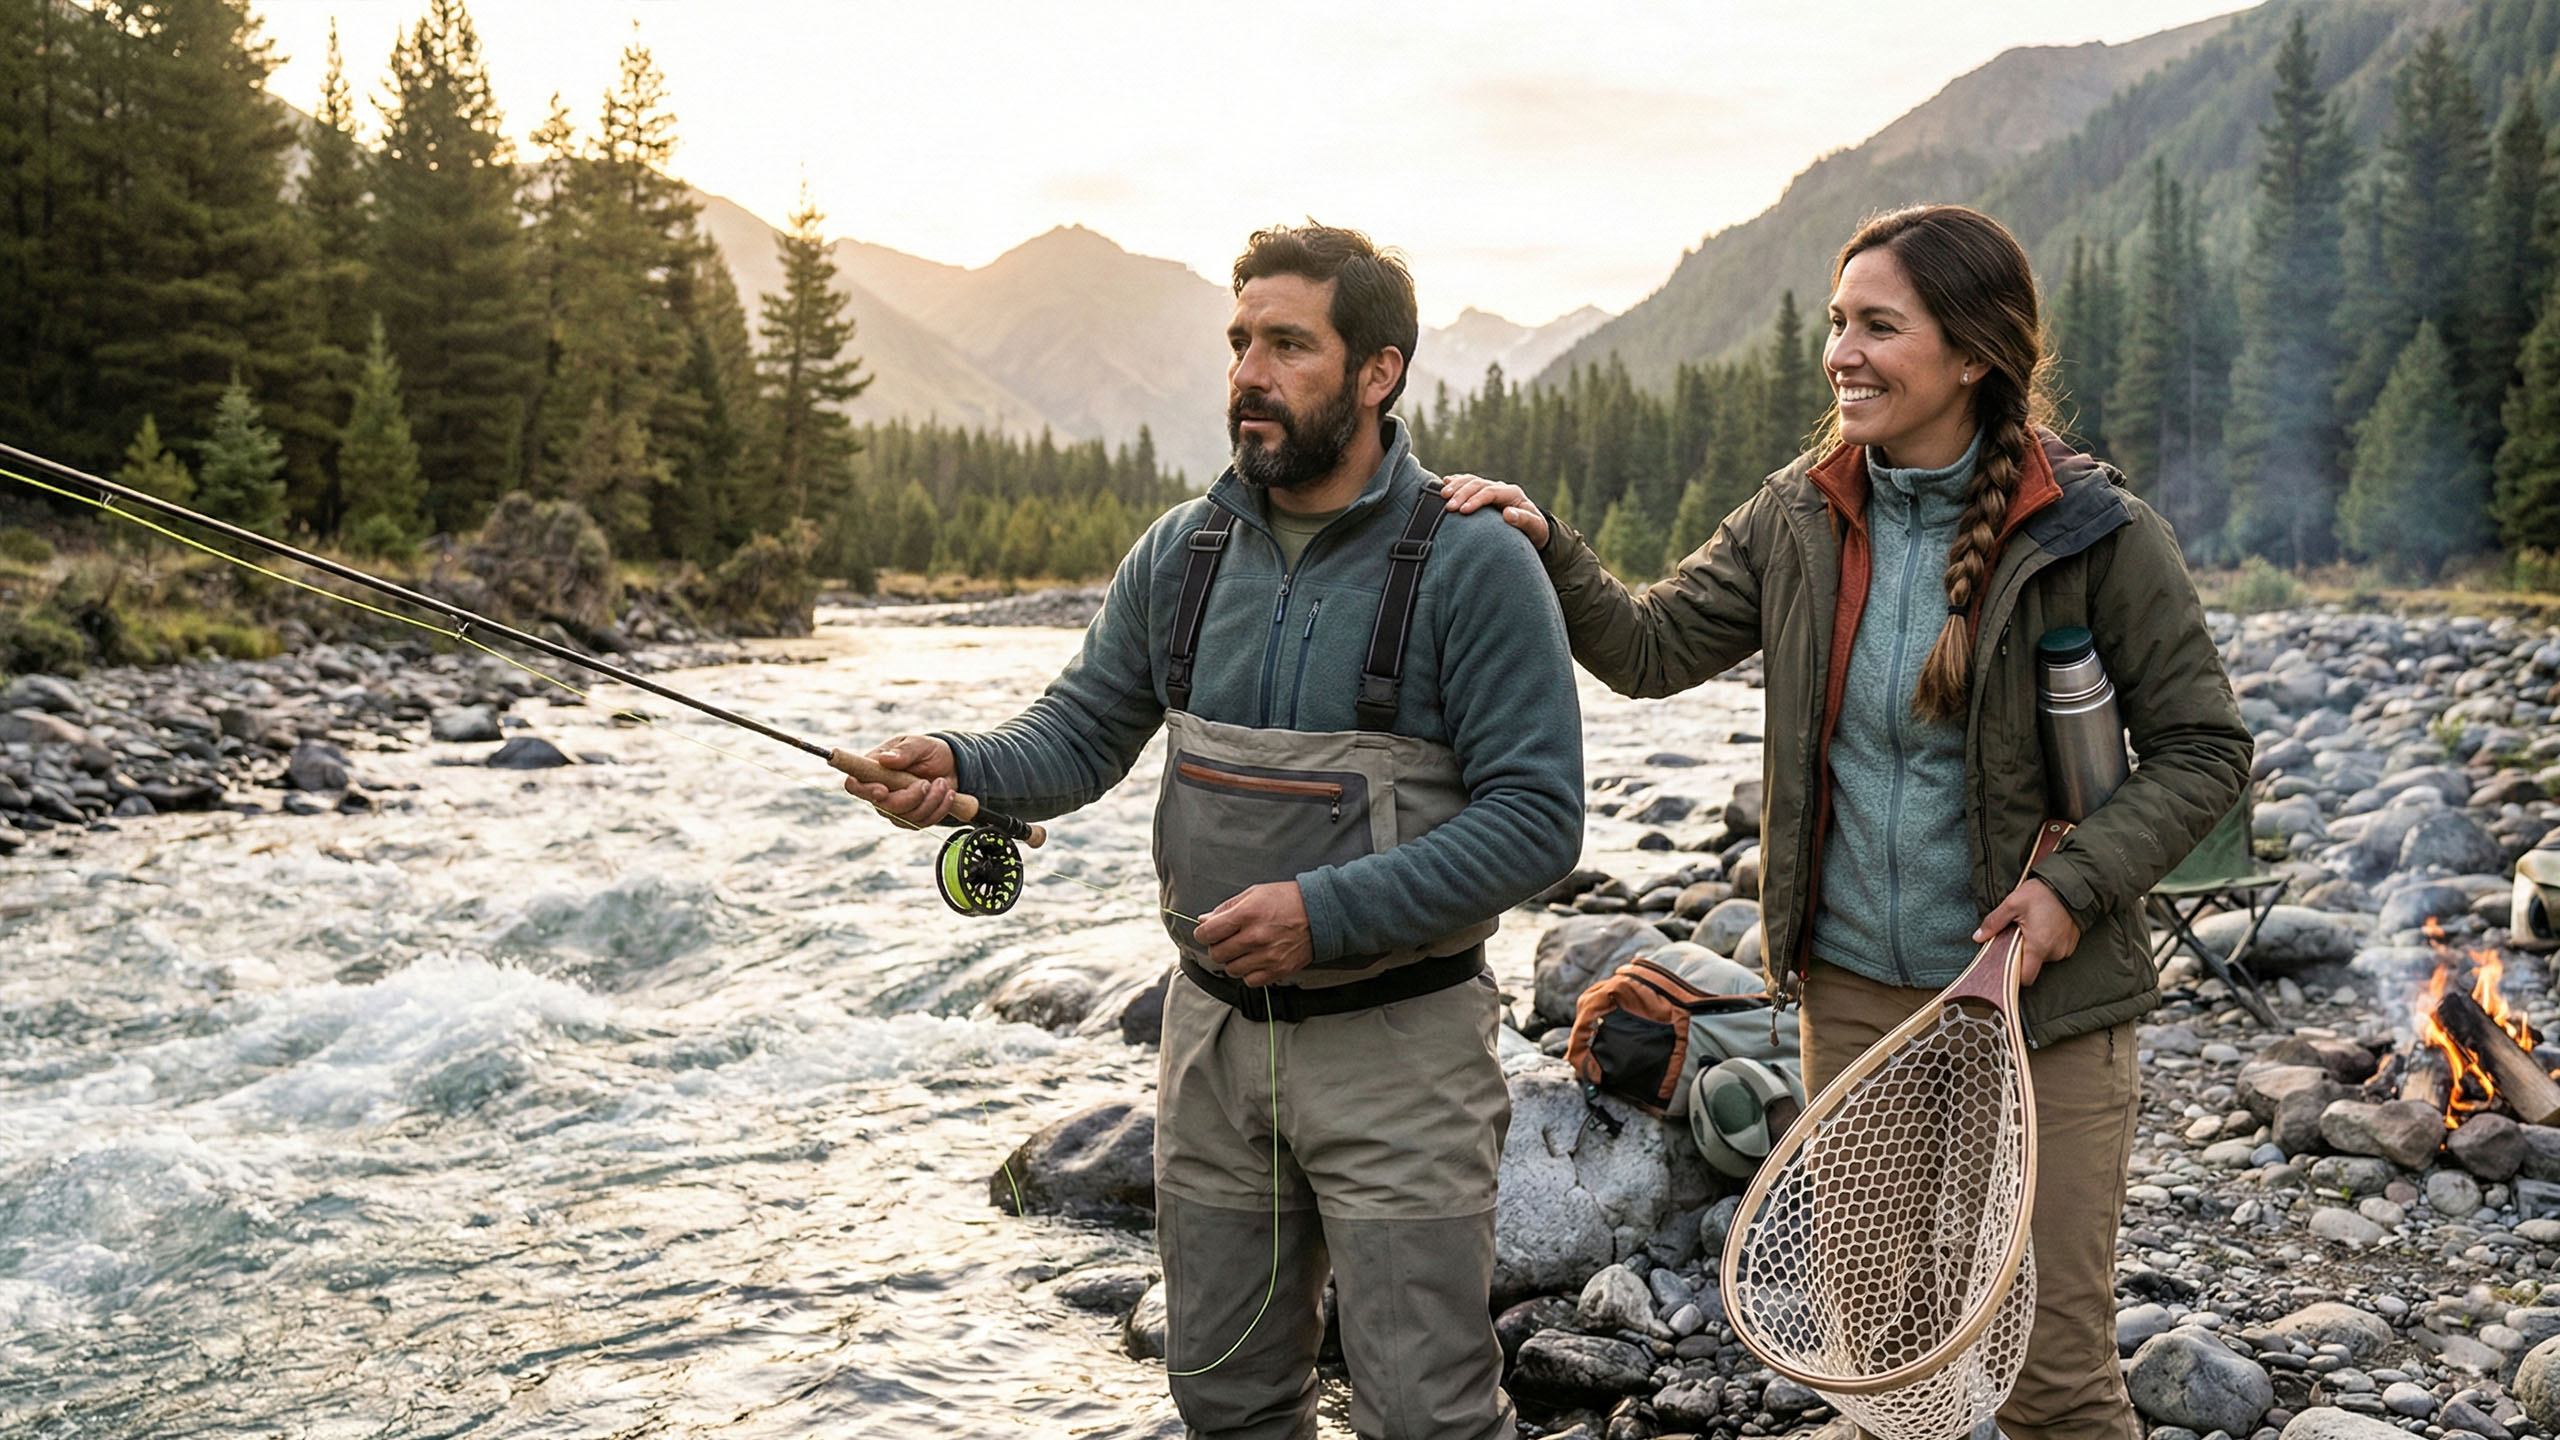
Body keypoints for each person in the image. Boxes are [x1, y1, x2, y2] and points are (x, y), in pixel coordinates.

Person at [1443, 203, 2251, 1440]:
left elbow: (2205, 752)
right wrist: (1549, 547)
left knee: (2054, 1377)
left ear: (1971, 353)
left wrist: (2069, 887)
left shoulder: (2094, 531)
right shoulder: (1799, 514)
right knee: (1881, 1358)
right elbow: (1651, 648)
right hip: (1858, 998)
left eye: (1879, 325)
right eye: (1836, 323)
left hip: (2044, 1007)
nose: (1841, 354)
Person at [851, 223, 1583, 1440]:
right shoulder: (1180, 555)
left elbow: (1537, 820)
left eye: (1288, 345)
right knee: (1224, 1397)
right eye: (1240, 342)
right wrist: (963, 766)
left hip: (1399, 1055)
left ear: (1378, 372)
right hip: (1211, 1051)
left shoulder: (1473, 565)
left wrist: (1322, 915)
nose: (1248, 372)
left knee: (1426, 1414)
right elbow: (1079, 734)